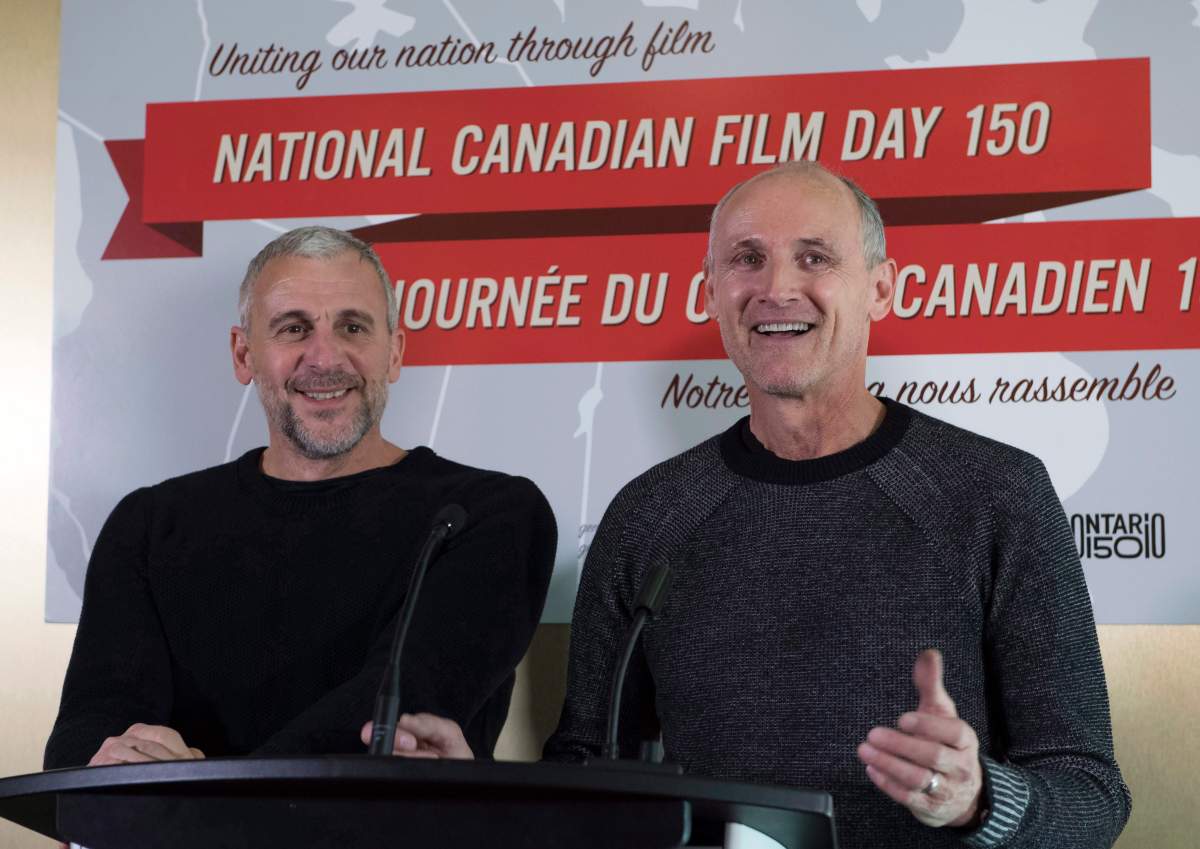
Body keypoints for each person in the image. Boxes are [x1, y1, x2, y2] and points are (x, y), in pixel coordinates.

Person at [541, 163, 1132, 848]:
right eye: (747, 259)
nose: (776, 288)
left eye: (814, 257)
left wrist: (977, 800)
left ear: (880, 288)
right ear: (711, 293)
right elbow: (583, 772)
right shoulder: (648, 515)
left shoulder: (997, 494)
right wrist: (458, 779)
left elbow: (1092, 797)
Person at [44, 226, 556, 769]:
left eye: (353, 327)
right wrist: (111, 762)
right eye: (294, 329)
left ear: (395, 353)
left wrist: (194, 800)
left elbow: (384, 729)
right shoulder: (149, 526)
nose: (324, 357)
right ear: (244, 354)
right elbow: (85, 738)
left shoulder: (489, 516)